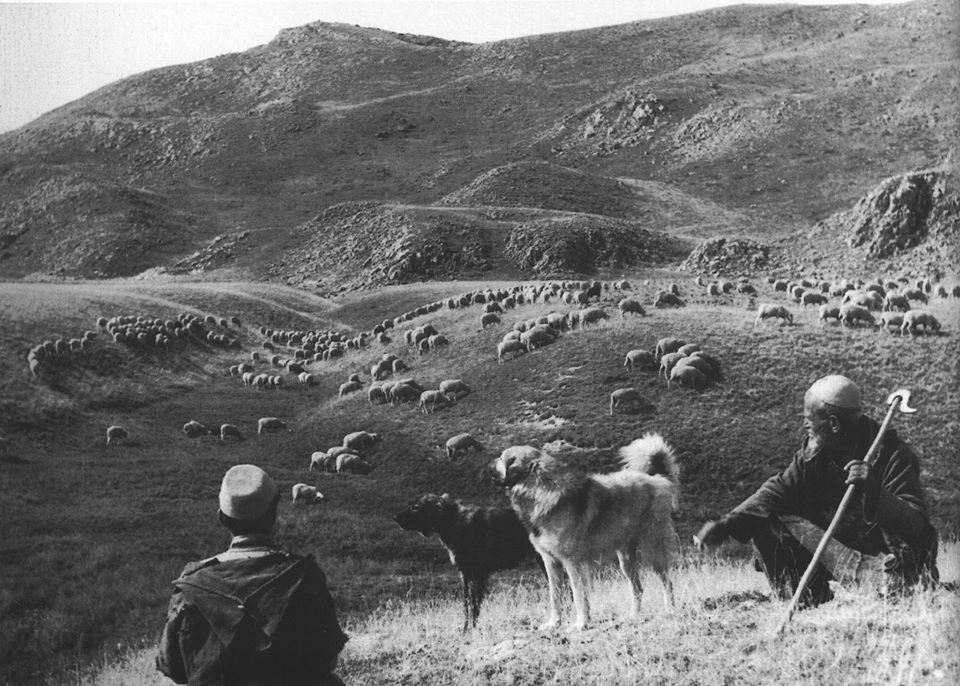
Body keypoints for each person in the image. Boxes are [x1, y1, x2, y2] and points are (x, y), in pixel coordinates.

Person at [695, 374, 939, 607]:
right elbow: (776, 491)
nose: (804, 424)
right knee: (765, 520)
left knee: (901, 560)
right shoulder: (813, 455)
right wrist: (727, 524)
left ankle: (898, 590)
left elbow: (916, 524)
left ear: (833, 423)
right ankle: (806, 598)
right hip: (846, 556)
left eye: (809, 419)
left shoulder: (893, 454)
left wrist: (874, 491)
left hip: (888, 565)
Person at [157, 464, 348, 685]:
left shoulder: (191, 584)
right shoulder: (304, 576)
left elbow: (173, 668)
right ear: (273, 515)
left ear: (221, 518)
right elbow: (328, 660)